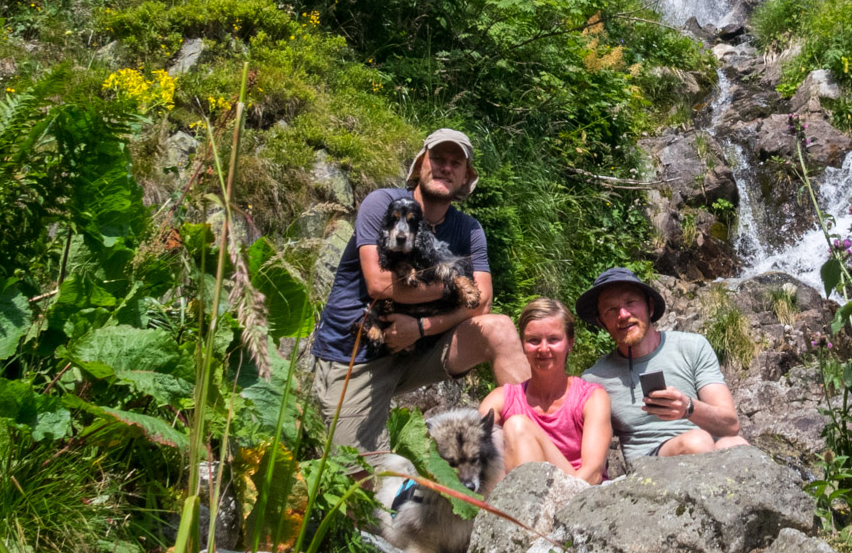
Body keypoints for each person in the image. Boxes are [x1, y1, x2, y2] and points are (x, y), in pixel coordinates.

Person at [308, 129, 528, 453]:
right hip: (356, 353)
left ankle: (539, 447)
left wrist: (421, 328)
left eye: (456, 163)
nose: (445, 167)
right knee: (355, 477)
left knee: (500, 328)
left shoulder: (469, 230)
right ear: (419, 165)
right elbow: (380, 284)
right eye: (437, 158)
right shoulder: (383, 205)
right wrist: (451, 288)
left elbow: (482, 302)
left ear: (467, 176)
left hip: (423, 346)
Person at [576, 267, 748, 459]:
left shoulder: (692, 347)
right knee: (696, 442)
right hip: (649, 467)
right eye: (611, 309)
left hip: (707, 449)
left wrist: (688, 408)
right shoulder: (595, 379)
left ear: (649, 307)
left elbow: (730, 426)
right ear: (601, 322)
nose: (623, 314)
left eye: (631, 302)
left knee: (737, 444)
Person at [478, 298, 613, 484]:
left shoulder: (592, 398)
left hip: (578, 494)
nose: (543, 349)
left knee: (517, 426)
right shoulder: (501, 399)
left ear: (570, 344)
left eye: (553, 340)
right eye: (533, 340)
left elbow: (593, 472)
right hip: (518, 496)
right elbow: (472, 449)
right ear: (523, 345)